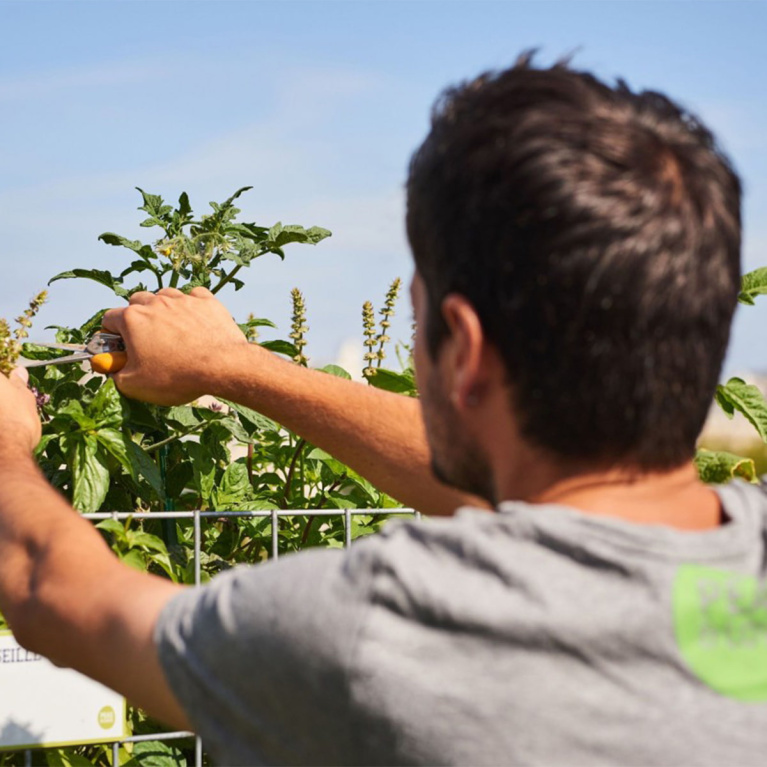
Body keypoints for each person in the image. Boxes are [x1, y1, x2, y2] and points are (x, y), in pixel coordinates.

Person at [0, 52, 765, 765]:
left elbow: (52, 592)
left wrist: (6, 451)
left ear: (462, 348)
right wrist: (232, 366)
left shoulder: (388, 627)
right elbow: (509, 485)